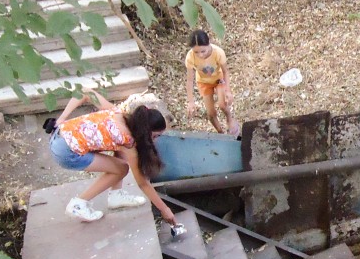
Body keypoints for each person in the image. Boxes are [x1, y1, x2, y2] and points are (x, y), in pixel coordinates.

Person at [48, 89, 178, 226]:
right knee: (122, 169)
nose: (155, 141)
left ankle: (116, 195)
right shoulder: (127, 141)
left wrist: (62, 118)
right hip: (66, 152)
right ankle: (78, 204)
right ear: (145, 131)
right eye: (155, 136)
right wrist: (164, 209)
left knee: (120, 153)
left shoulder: (118, 113)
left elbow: (85, 92)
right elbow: (143, 183)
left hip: (59, 135)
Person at [185, 30, 239, 137]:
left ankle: (229, 118)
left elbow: (225, 71)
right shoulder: (190, 57)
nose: (200, 55)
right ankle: (220, 133)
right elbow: (189, 80)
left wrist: (228, 91)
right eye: (196, 52)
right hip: (203, 82)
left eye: (203, 51)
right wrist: (191, 101)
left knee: (222, 104)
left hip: (219, 79)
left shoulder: (218, 52)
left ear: (208, 44)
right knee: (210, 113)